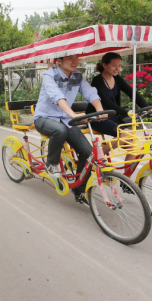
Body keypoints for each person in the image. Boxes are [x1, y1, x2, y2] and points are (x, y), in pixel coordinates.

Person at [33, 55, 107, 202]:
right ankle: (51, 163)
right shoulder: (50, 75)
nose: (75, 61)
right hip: (44, 118)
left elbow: (89, 91)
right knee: (60, 130)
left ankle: (79, 190)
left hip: (66, 120)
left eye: (76, 57)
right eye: (70, 58)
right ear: (58, 61)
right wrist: (73, 114)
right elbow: (57, 95)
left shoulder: (77, 76)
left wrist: (100, 109)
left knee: (88, 153)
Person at [86, 52, 152, 160]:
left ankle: (125, 176)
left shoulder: (117, 78)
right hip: (98, 117)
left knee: (133, 146)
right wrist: (125, 112)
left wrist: (148, 107)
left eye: (119, 65)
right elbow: (105, 101)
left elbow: (132, 93)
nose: (117, 68)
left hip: (114, 116)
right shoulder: (97, 80)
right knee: (125, 134)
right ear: (104, 65)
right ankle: (96, 156)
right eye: (114, 65)